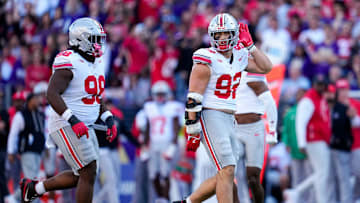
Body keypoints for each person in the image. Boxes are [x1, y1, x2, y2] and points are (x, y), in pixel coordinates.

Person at [19, 18, 117, 203]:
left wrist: (108, 118)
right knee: (88, 170)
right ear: (81, 39)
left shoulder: (96, 62)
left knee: (84, 174)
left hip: (85, 123)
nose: (98, 44)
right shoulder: (69, 60)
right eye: (94, 39)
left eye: (100, 39)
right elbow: (51, 93)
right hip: (66, 123)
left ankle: (34, 188)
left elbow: (94, 95)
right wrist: (73, 120)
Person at [177, 13, 272, 203]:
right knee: (227, 169)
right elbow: (193, 98)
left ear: (235, 34)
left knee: (227, 172)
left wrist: (251, 47)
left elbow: (265, 67)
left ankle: (187, 202)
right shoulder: (206, 58)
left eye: (226, 34)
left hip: (230, 117)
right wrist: (193, 129)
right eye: (218, 35)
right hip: (210, 114)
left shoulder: (239, 56)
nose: (222, 39)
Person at [285, 76, 332, 203]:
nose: (321, 87)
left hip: (320, 139)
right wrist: (302, 143)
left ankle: (296, 192)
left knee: (321, 173)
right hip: (314, 139)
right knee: (322, 174)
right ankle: (317, 198)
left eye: (323, 84)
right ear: (314, 85)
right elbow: (300, 122)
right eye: (319, 84)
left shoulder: (319, 98)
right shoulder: (308, 100)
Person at [234, 71, 278, 203]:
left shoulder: (252, 73)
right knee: (230, 173)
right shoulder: (226, 69)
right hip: (233, 127)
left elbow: (269, 102)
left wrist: (272, 131)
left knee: (252, 177)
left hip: (253, 129)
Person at [143, 81, 183, 202]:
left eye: (162, 94)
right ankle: (161, 198)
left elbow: (177, 127)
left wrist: (173, 145)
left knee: (165, 174)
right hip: (153, 144)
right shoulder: (149, 107)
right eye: (158, 94)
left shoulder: (173, 107)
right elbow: (147, 127)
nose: (160, 97)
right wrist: (145, 146)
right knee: (153, 175)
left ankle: (165, 199)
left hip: (166, 143)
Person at [7, 92, 46, 202]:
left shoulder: (40, 115)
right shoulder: (21, 115)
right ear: (29, 101)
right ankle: (34, 201)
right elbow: (13, 134)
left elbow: (44, 132)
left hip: (38, 151)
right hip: (27, 151)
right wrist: (11, 151)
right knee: (31, 178)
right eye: (35, 99)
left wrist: (46, 147)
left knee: (32, 178)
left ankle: (14, 198)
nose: (38, 101)